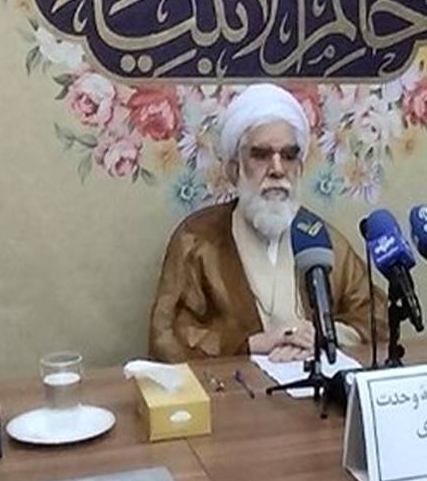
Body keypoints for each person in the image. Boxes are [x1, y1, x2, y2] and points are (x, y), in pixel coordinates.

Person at [148, 83, 385, 363]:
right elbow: (167, 337)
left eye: (289, 156)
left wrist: (324, 334)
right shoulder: (197, 240)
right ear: (234, 169)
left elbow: (375, 317)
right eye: (261, 155)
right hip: (238, 387)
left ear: (300, 167)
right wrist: (252, 344)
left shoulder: (319, 238)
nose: (277, 169)